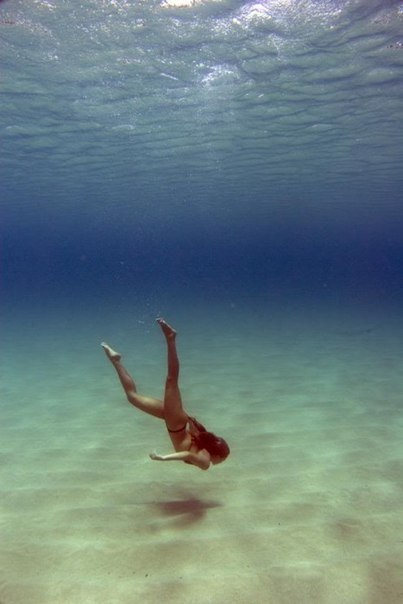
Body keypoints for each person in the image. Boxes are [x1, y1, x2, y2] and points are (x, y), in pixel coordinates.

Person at [101, 318, 230, 470]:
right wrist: (163, 458)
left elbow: (190, 445)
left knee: (133, 397)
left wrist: (186, 418)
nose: (220, 463)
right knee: (171, 380)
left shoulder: (202, 446)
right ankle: (171, 338)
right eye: (222, 460)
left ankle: (115, 360)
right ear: (217, 455)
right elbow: (187, 455)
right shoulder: (205, 462)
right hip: (175, 422)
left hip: (175, 420)